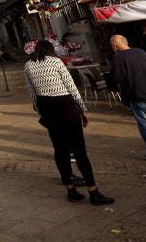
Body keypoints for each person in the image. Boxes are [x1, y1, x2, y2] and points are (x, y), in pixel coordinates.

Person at [23, 40, 113, 205]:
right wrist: (82, 108)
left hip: (46, 106)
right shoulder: (56, 61)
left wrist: (39, 109)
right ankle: (93, 191)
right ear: (51, 50)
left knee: (60, 149)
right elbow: (71, 86)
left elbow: (32, 91)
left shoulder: (28, 65)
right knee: (79, 149)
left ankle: (70, 189)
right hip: (65, 104)